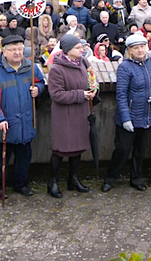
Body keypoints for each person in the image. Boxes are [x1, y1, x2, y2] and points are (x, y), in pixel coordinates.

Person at [102, 32, 151, 192]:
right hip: (130, 115)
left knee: (141, 150)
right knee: (122, 150)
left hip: (148, 114)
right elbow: (121, 94)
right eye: (136, 48)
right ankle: (110, 178)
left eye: (142, 47)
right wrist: (126, 118)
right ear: (130, 50)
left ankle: (136, 178)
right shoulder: (125, 67)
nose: (140, 50)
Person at [0, 35, 46, 199]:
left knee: (24, 156)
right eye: (13, 50)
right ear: (4, 52)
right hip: (6, 122)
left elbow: (41, 82)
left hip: (26, 122)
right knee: (1, 158)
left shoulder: (31, 67)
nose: (18, 53)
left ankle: (21, 184)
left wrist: (38, 89)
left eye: (20, 49)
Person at [46, 34, 97, 198]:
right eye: (78, 47)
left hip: (81, 112)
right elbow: (56, 95)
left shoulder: (84, 62)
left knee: (78, 148)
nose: (82, 49)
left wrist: (94, 90)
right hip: (64, 116)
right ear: (67, 50)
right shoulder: (56, 69)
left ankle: (73, 179)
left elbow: (91, 80)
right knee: (61, 150)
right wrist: (80, 95)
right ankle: (52, 181)